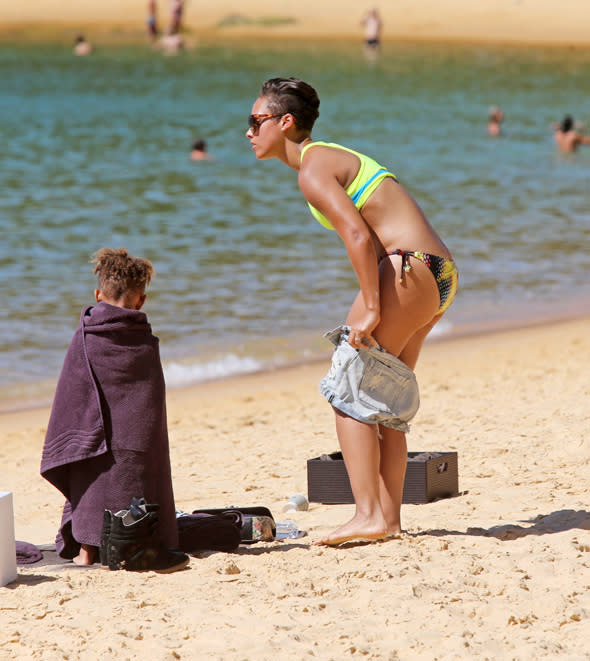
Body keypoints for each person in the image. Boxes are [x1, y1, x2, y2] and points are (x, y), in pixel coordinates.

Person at [246, 78, 458, 546]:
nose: (249, 132)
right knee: (381, 395)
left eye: (256, 121)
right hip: (436, 274)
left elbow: (358, 237)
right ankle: (389, 519)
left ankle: (367, 515)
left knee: (348, 384)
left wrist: (371, 309)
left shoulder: (313, 165)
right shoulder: (328, 157)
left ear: (286, 123)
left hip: (407, 270)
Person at [40, 248, 186, 571]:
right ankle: (140, 535)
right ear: (141, 301)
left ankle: (88, 548)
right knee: (139, 448)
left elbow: (70, 407)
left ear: (97, 295)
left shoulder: (85, 338)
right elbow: (150, 423)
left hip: (97, 479)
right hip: (141, 492)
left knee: (88, 446)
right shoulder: (146, 345)